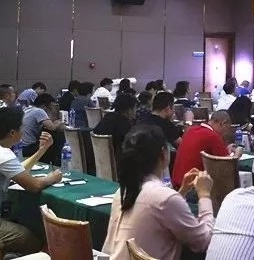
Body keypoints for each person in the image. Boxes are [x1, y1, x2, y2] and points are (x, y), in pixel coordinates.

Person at [103, 125, 214, 259]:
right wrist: (204, 195)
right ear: (163, 153)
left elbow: (159, 208)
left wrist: (181, 192)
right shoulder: (164, 198)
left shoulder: (123, 191)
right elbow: (203, 241)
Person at [0, 108, 62, 254]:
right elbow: (34, 186)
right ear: (12, 133)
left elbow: (19, 169)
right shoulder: (2, 154)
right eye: (22, 127)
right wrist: (52, 178)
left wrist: (41, 150)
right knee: (34, 240)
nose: (23, 131)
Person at [172, 110, 239, 188]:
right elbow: (229, 165)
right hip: (193, 188)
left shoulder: (191, 130)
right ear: (223, 123)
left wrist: (226, 150)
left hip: (177, 184)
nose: (225, 133)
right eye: (227, 129)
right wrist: (237, 154)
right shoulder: (212, 135)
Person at [21, 93, 64, 162]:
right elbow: (52, 127)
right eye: (51, 107)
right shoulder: (39, 111)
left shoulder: (27, 109)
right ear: (44, 106)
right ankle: (56, 163)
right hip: (30, 147)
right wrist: (60, 122)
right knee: (56, 136)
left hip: (22, 148)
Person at [94, 94, 138, 161]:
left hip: (97, 160)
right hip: (117, 163)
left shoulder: (106, 118)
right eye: (135, 108)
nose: (136, 111)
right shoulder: (125, 125)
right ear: (129, 110)